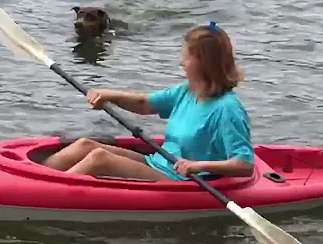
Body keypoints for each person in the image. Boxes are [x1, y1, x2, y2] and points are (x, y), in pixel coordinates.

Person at [42, 21, 255, 181]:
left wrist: (198, 165)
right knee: (85, 145)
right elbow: (144, 104)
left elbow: (244, 165)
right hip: (160, 162)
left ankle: (46, 194)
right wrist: (108, 96)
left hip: (184, 181)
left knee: (100, 158)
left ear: (204, 63)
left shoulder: (228, 109)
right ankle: (36, 176)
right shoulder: (186, 91)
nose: (181, 62)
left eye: (187, 57)